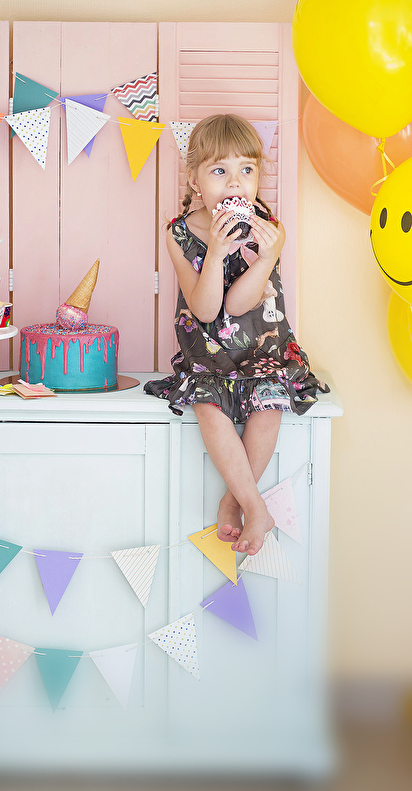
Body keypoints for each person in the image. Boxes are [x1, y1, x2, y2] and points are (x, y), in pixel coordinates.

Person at [145, 114, 327, 556]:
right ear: (195, 180)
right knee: (208, 409)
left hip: (263, 352)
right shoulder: (179, 234)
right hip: (208, 356)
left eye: (246, 169)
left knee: (270, 405)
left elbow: (240, 305)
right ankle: (256, 508)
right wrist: (217, 252)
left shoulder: (270, 231)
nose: (234, 183)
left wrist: (266, 257)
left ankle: (235, 500)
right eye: (219, 171)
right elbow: (208, 310)